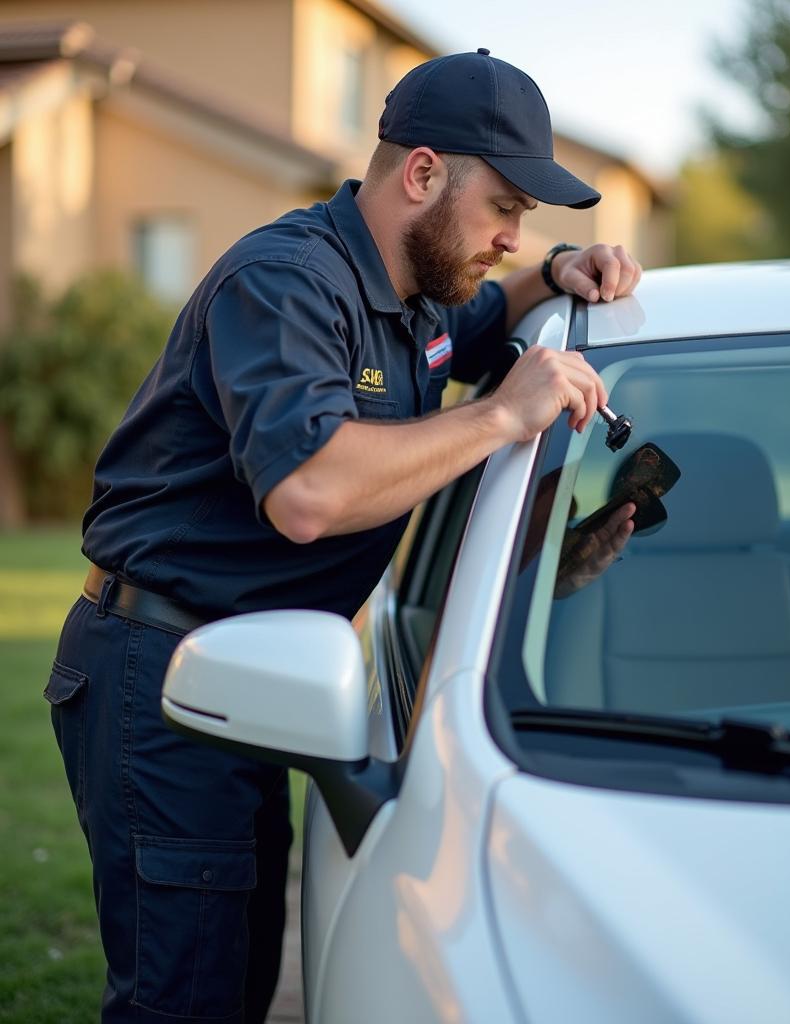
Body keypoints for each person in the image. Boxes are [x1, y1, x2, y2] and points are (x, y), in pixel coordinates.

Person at [45, 48, 641, 1023]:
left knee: (233, 978)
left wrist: (553, 275)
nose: (509, 233)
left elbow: (483, 318)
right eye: (505, 206)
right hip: (159, 672)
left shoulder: (413, 298)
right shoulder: (285, 282)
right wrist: (501, 417)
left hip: (250, 668)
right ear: (421, 173)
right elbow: (308, 493)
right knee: (182, 998)